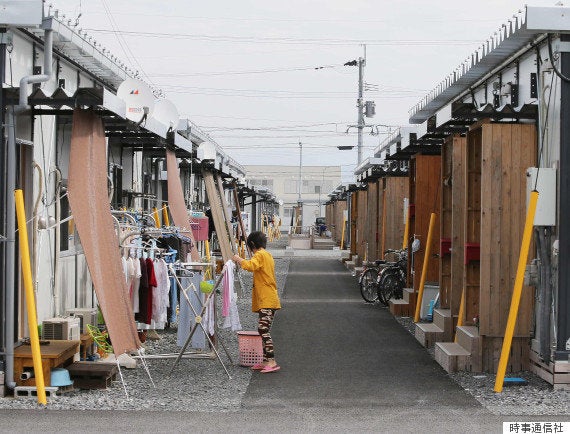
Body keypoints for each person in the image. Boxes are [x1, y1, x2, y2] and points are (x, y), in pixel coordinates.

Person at [233, 231, 281, 373]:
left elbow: (250, 266)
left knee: (263, 330)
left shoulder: (260, 255)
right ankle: (266, 360)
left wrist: (238, 259)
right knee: (263, 329)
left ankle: (271, 361)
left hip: (267, 299)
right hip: (267, 298)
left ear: (252, 244)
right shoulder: (267, 255)